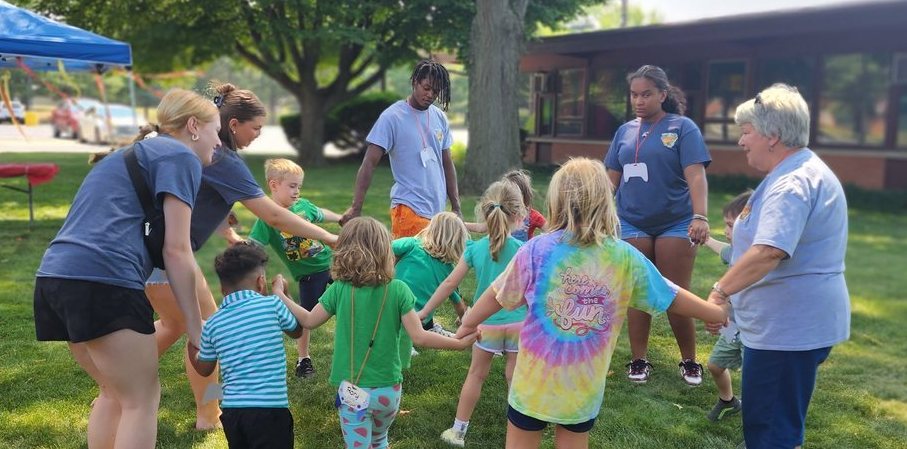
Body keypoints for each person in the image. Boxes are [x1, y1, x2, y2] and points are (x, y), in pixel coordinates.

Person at [454, 158, 729, 449]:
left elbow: (498, 295)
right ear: (606, 202)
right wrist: (714, 311)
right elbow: (670, 293)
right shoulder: (624, 258)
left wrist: (468, 322)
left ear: (557, 201)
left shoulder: (537, 249)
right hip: (581, 388)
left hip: (533, 383)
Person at [143, 82, 338, 429]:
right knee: (203, 331)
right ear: (233, 125)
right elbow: (274, 215)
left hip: (159, 258)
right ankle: (205, 414)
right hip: (165, 262)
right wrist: (329, 237)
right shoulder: (223, 159)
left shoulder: (208, 154)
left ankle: (125, 378)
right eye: (256, 128)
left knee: (178, 325)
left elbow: (201, 198)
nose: (259, 135)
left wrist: (229, 233)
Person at [34, 88, 221, 449]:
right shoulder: (181, 157)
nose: (219, 143)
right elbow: (178, 251)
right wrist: (198, 332)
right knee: (140, 400)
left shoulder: (122, 155)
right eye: (216, 131)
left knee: (116, 394)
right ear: (194, 126)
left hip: (53, 280)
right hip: (105, 281)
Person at [705, 84, 850, 449]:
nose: (741, 142)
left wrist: (720, 293)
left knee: (772, 432)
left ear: (772, 135)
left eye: (746, 132)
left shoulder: (792, 183)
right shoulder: (792, 173)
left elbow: (769, 250)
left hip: (787, 332)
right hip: (784, 329)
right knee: (774, 423)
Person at [273, 217, 478, 449]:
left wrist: (282, 296)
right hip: (389, 392)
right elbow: (420, 336)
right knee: (380, 441)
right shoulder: (399, 290)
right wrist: (459, 344)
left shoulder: (339, 290)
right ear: (385, 250)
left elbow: (309, 321)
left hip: (354, 391)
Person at [604, 64, 711, 386]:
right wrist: (597, 212)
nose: (639, 100)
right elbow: (610, 178)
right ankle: (639, 359)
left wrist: (700, 215)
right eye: (634, 94)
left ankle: (690, 361)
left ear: (663, 95)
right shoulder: (624, 131)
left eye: (646, 94)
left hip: (676, 223)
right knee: (639, 291)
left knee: (676, 292)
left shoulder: (682, 127)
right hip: (631, 221)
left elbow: (696, 174)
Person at [419, 180, 527, 447]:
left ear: (484, 213)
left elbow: (448, 284)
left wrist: (424, 311)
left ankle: (457, 431)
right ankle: (519, 433)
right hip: (519, 325)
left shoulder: (474, 249)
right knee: (515, 378)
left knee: (476, 375)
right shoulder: (524, 252)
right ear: (518, 215)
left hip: (484, 325)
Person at [188, 244, 302, 449]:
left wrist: (191, 345)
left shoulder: (213, 323)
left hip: (233, 413)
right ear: (261, 282)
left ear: (222, 289)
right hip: (270, 410)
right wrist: (283, 294)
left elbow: (204, 370)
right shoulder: (273, 305)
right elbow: (297, 330)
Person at [341, 59, 462, 238]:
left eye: (435, 91)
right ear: (415, 83)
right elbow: (369, 163)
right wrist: (356, 207)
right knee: (412, 264)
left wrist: (456, 207)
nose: (430, 95)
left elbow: (447, 163)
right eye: (426, 88)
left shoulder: (439, 117)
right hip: (408, 208)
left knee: (436, 264)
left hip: (437, 211)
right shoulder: (392, 117)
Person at [248, 158, 341, 379]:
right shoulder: (266, 218)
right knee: (306, 318)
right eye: (292, 186)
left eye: (299, 186)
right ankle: (303, 359)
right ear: (273, 185)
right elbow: (255, 246)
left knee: (352, 297)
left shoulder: (303, 206)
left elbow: (320, 212)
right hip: (309, 275)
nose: (297, 191)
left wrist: (341, 218)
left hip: (333, 264)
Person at [393, 211, 469, 369]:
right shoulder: (449, 269)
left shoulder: (411, 244)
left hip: (394, 310)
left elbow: (382, 250)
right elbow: (458, 304)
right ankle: (407, 340)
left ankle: (414, 335)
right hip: (416, 319)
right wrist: (466, 323)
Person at [703, 189, 752, 422]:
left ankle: (758, 430)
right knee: (714, 365)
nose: (726, 231)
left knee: (755, 381)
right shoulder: (735, 252)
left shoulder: (757, 259)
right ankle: (728, 401)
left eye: (731, 226)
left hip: (754, 330)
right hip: (732, 326)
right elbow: (722, 249)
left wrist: (720, 301)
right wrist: (705, 239)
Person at [464, 169, 547, 242]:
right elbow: (482, 227)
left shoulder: (533, 216)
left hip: (522, 258)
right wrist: (460, 224)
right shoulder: (500, 212)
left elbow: (550, 230)